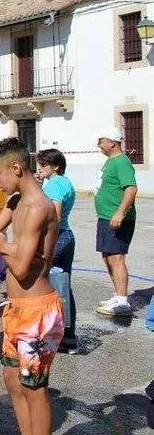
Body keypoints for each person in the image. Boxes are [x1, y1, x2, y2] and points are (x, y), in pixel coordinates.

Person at [0, 138, 63, 435]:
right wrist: (11, 248)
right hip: (16, 307)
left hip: (37, 310)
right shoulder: (15, 202)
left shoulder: (39, 207)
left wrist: (3, 246)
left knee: (33, 387)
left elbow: (22, 268)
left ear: (16, 168)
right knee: (13, 380)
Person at [35, 149, 78, 352]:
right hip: (67, 235)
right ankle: (69, 336)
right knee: (64, 285)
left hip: (58, 236)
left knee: (45, 283)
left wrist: (46, 242)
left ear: (56, 167)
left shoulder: (54, 184)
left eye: (44, 165)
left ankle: (50, 334)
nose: (40, 168)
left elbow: (55, 215)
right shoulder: (66, 182)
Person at [93, 126, 137, 316]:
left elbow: (131, 189)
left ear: (112, 142)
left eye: (101, 141)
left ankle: (122, 302)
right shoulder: (111, 161)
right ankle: (118, 295)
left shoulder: (121, 162)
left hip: (116, 218)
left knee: (116, 258)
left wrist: (120, 212)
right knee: (107, 256)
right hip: (106, 217)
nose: (98, 144)